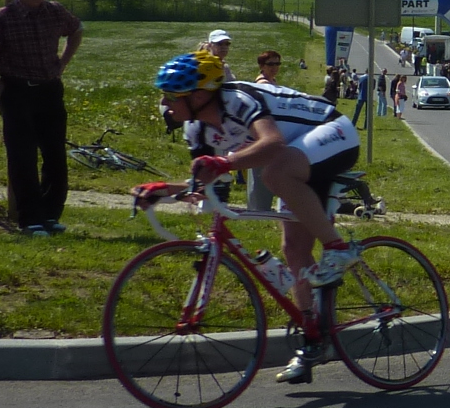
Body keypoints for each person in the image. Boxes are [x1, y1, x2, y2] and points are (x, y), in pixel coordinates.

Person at [155, 50, 362, 384]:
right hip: (298, 155)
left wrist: (225, 163)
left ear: (198, 96)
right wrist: (164, 191)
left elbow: (273, 144)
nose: (165, 104)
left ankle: (339, 249)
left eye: (171, 96)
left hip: (332, 132)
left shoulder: (237, 100)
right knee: (293, 248)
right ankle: (313, 336)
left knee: (274, 175)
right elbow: (207, 184)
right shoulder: (196, 129)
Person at [0, 0, 82, 235]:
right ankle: (30, 219)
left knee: (55, 154)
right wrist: (0, 91)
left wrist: (63, 63)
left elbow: (76, 30)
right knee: (22, 157)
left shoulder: (55, 11)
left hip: (49, 89)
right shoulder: (3, 18)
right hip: (16, 90)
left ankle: (49, 214)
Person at [246, 49, 288, 213]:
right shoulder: (263, 84)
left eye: (278, 63)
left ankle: (259, 207)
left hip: (270, 131)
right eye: (271, 64)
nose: (275, 67)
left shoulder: (272, 82)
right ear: (262, 66)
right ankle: (258, 209)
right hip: (262, 134)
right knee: (260, 173)